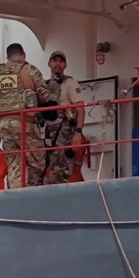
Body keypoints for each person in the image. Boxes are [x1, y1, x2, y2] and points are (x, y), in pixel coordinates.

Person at [0, 43, 53, 188]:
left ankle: (16, 194)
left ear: (7, 57)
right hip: (25, 124)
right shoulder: (30, 70)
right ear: (23, 55)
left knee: (14, 163)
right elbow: (45, 97)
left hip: (4, 126)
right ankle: (33, 192)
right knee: (36, 161)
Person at [41, 50, 86, 185]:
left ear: (65, 65)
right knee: (46, 170)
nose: (58, 64)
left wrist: (78, 133)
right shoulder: (44, 85)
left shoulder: (70, 83)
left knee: (61, 171)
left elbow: (80, 109)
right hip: (47, 135)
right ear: (49, 64)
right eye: (55, 60)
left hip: (65, 134)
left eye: (61, 61)